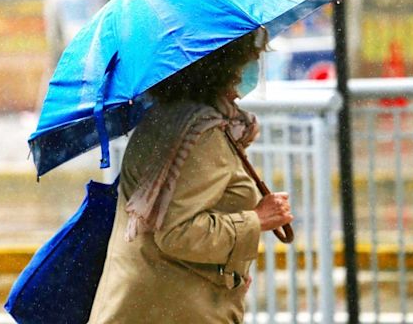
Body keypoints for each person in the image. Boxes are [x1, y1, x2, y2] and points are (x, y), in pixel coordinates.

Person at [88, 27, 294, 324]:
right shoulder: (200, 135)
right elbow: (176, 232)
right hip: (174, 308)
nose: (252, 65)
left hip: (148, 302)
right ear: (226, 65)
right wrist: (258, 219)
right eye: (249, 55)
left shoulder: (166, 119)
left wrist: (229, 272)